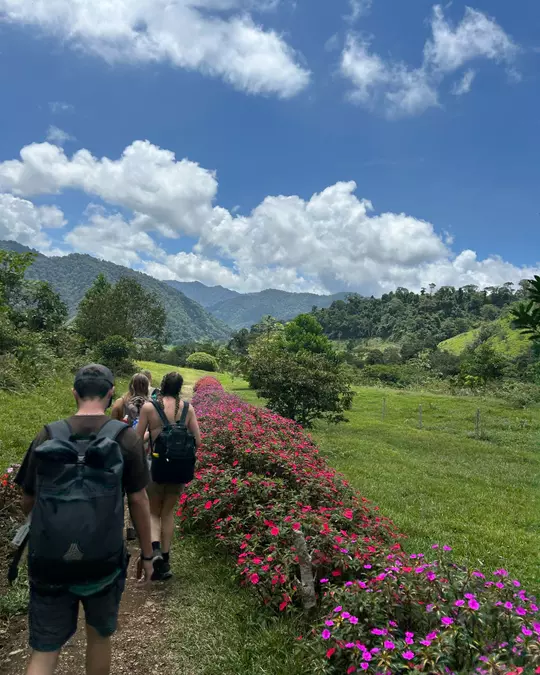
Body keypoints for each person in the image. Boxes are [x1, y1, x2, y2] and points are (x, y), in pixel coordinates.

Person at [15, 364, 155, 675]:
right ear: (109, 395)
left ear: (74, 393)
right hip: (102, 560)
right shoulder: (125, 439)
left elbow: (28, 500)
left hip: (49, 560)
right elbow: (139, 502)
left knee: (44, 649)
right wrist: (147, 555)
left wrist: (50, 528)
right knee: (99, 639)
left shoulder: (47, 434)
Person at [137, 372, 201, 581]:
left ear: (162, 386)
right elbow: (198, 441)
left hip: (156, 467)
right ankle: (165, 560)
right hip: (179, 470)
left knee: (154, 512)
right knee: (168, 513)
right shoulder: (188, 409)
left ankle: (154, 551)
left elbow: (137, 439)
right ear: (180, 388)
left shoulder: (149, 407)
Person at [111, 373, 150, 542]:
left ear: (130, 385)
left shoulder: (120, 403)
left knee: (118, 489)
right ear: (147, 386)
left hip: (120, 450)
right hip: (142, 450)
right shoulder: (151, 406)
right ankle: (133, 527)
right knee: (138, 492)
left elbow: (111, 428)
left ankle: (116, 523)